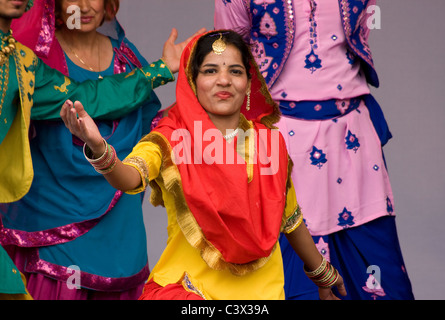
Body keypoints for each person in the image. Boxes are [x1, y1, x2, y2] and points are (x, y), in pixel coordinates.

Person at [60, 29, 347, 300]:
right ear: (192, 81)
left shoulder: (268, 142)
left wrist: (322, 274)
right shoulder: (170, 139)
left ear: (248, 82)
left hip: (261, 295)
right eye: (211, 71)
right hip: (189, 291)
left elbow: (290, 217)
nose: (224, 80)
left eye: (235, 71)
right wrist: (99, 149)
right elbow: (130, 177)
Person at [0, 0, 203, 299]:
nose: (83, 5)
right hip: (54, 224)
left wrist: (200, 101)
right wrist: (159, 71)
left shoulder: (122, 56)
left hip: (120, 230)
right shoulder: (33, 58)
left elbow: (145, 130)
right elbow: (79, 101)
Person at [214, 0, 414, 300]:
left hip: (351, 136)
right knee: (284, 273)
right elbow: (227, 49)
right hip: (278, 138)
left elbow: (360, 31)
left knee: (379, 275)